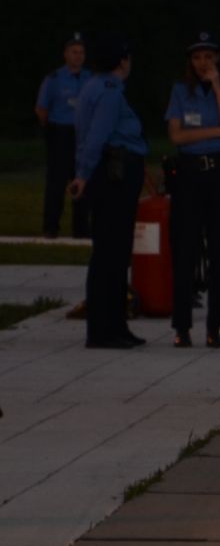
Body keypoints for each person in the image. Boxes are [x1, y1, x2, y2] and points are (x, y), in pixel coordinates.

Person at [165, 32, 220, 349]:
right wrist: (212, 133)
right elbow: (176, 136)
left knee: (219, 252)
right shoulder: (180, 91)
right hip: (189, 176)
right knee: (184, 252)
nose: (203, 63)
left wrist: (216, 88)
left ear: (218, 59)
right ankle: (181, 327)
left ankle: (215, 326)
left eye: (209, 57)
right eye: (197, 57)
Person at [68, 34, 148, 350]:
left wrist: (82, 172)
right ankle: (104, 330)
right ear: (122, 60)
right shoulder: (111, 92)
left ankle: (116, 325)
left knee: (110, 252)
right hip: (114, 175)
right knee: (111, 254)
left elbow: (83, 135)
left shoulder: (90, 86)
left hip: (106, 174)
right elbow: (98, 135)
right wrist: (84, 174)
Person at [34, 32, 91, 239]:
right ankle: (51, 227)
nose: (78, 56)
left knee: (82, 180)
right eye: (74, 52)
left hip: (82, 136)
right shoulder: (54, 79)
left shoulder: (90, 79)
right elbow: (41, 109)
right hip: (60, 134)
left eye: (81, 52)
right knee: (56, 183)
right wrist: (51, 130)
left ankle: (81, 228)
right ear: (65, 54)